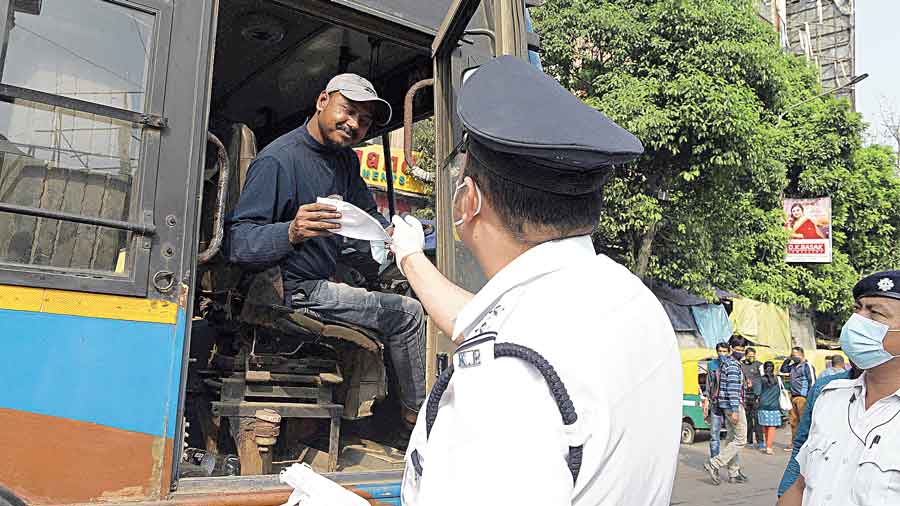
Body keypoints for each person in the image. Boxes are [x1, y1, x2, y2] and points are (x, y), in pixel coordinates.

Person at [389, 56, 681, 505]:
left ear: (468, 200)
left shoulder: (503, 380)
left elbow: (507, 349)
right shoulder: (629, 298)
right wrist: (409, 256)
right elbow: (485, 323)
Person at [224, 74, 426, 425]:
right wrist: (291, 231)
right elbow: (238, 244)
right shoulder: (278, 161)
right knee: (407, 315)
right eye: (348, 111)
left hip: (322, 278)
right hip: (292, 291)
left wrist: (389, 232)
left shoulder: (345, 161)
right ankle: (416, 420)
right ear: (322, 102)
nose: (353, 125)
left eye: (363, 122)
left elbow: (366, 216)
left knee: (387, 292)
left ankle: (376, 413)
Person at [778, 270, 900, 505]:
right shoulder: (831, 397)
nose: (858, 320)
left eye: (875, 313)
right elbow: (801, 486)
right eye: (857, 309)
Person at [703, 336, 749, 485]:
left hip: (725, 406)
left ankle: (733, 472)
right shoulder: (733, 366)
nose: (740, 352)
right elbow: (733, 389)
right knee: (741, 440)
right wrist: (735, 409)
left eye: (743, 349)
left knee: (731, 438)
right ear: (731, 348)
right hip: (733, 406)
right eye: (738, 349)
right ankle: (714, 463)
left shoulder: (727, 363)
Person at [780, 346, 816, 450]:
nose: (793, 357)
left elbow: (812, 382)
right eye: (792, 355)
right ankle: (794, 443)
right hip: (793, 397)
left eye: (795, 355)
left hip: (803, 398)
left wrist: (811, 398)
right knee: (793, 422)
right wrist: (788, 359)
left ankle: (807, 443)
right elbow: (783, 370)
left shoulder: (807, 366)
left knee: (804, 422)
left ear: (802, 355)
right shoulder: (793, 366)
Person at [703, 342, 730, 459]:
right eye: (720, 351)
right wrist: (707, 400)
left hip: (729, 403)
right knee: (714, 434)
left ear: (729, 352)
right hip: (715, 403)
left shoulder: (732, 364)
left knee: (733, 437)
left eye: (724, 351)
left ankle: (732, 466)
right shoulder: (712, 365)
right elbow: (709, 383)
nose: (722, 354)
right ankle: (714, 461)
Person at [757, 361, 783, 455]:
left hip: (763, 405)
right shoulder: (778, 379)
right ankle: (769, 446)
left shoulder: (761, 379)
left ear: (764, 369)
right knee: (772, 426)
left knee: (766, 426)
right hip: (774, 405)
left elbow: (757, 392)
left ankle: (766, 445)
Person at [741, 346, 764, 450]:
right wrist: (745, 384)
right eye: (749, 356)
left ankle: (760, 441)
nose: (751, 358)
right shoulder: (741, 365)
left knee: (758, 420)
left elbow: (764, 379)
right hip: (746, 396)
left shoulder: (759, 365)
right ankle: (749, 440)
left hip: (757, 396)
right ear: (745, 355)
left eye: (753, 356)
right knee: (747, 420)